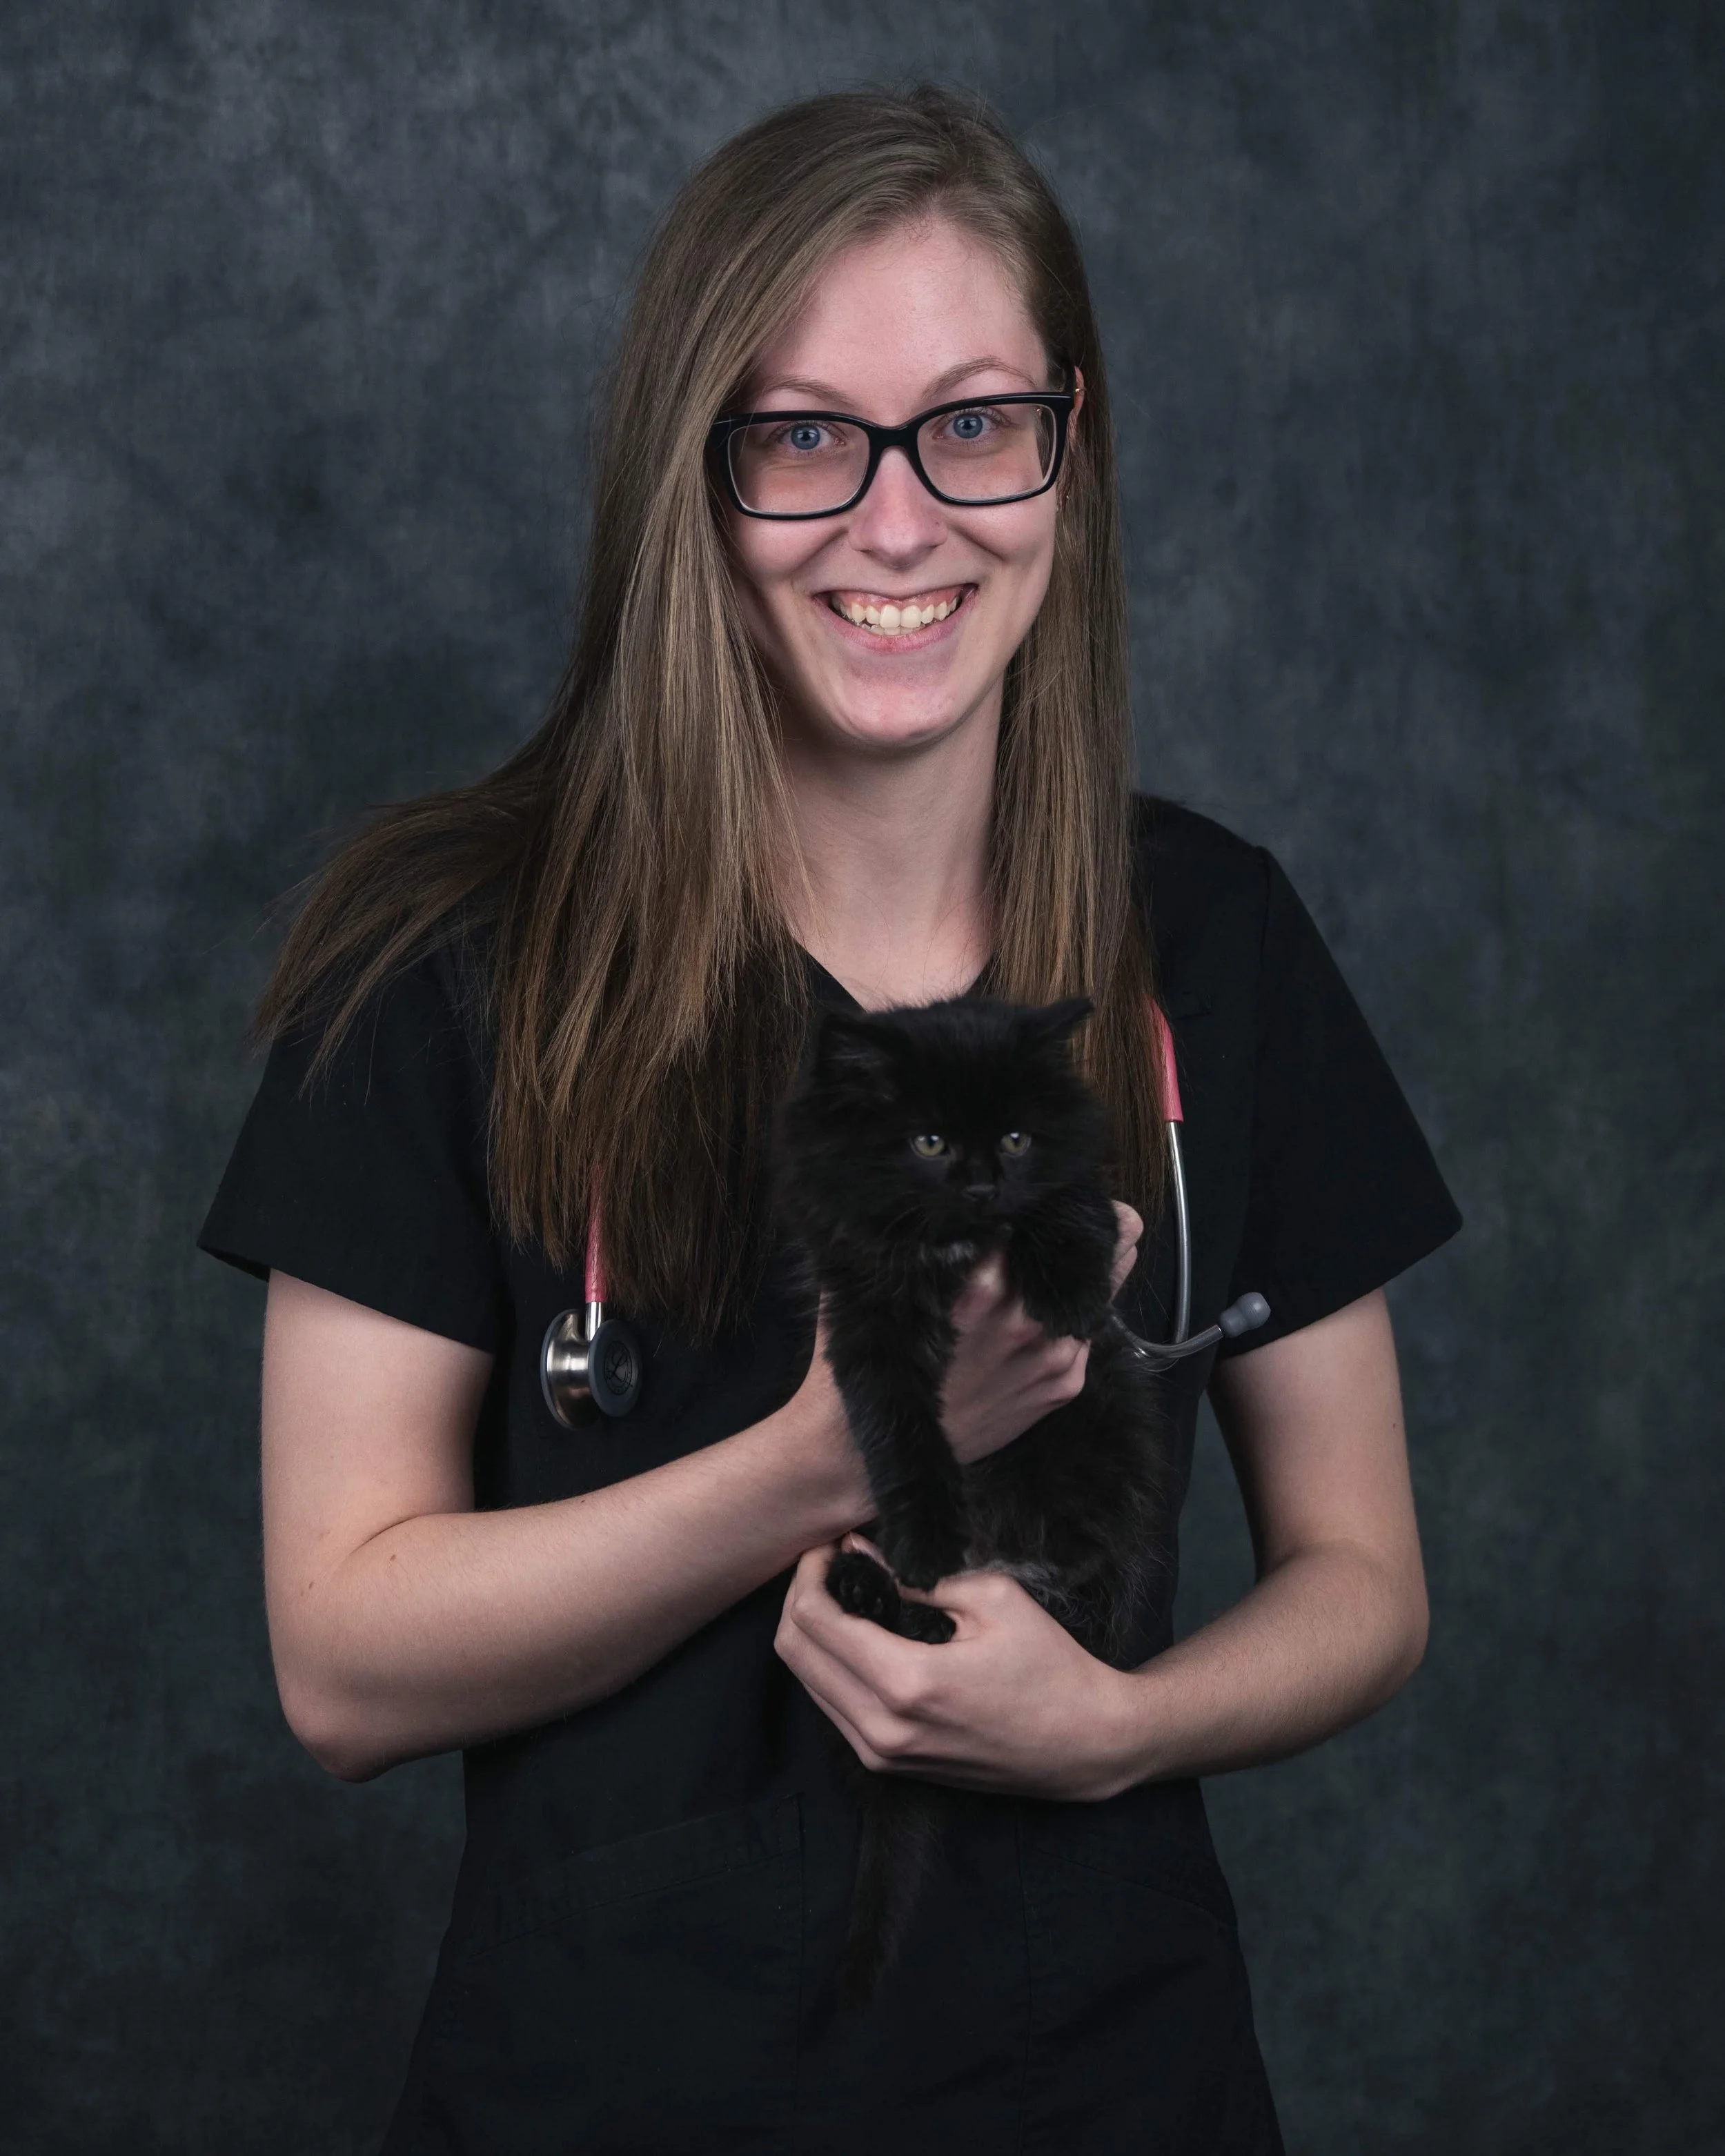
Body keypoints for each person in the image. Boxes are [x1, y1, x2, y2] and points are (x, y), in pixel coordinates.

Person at [200, 85, 1460, 2155]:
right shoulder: (445, 970)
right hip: (605, 2092)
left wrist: (1116, 1727)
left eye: (972, 424)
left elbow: (1367, 1579)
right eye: (804, 438)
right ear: (692, 478)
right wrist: (829, 1455)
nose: (899, 523)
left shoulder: (1209, 941)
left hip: (1108, 2081)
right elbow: (344, 1665)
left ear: (1070, 446)